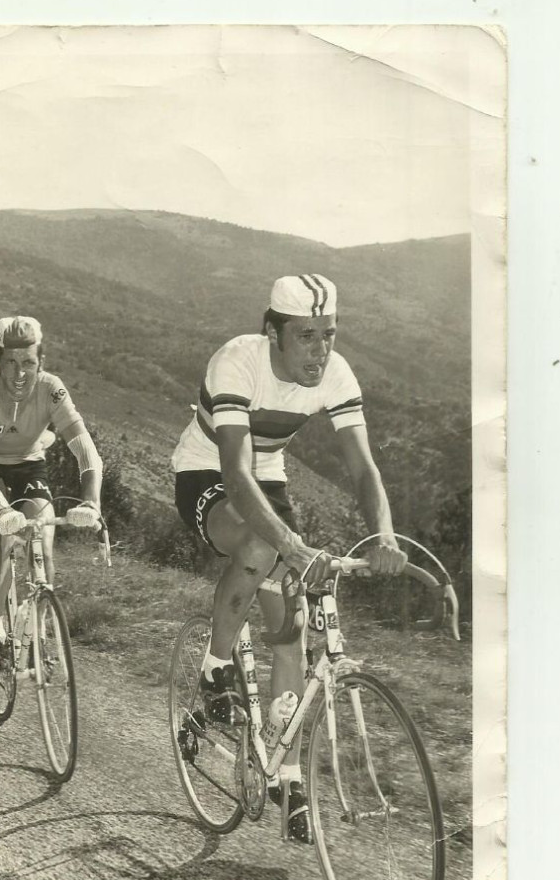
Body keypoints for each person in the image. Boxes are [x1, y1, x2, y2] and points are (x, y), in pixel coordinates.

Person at [172, 274, 406, 840]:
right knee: (260, 548)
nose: (320, 351)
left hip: (269, 479)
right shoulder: (237, 361)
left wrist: (384, 536)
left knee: (291, 624)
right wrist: (294, 546)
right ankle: (214, 670)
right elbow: (234, 472)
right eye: (306, 337)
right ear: (272, 333)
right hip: (208, 472)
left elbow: (363, 469)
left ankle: (289, 775)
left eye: (328, 335)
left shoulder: (337, 372)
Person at [0, 316, 102, 673]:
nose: (19, 373)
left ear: (41, 362)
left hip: (28, 465)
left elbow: (86, 451)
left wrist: (91, 501)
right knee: (3, 539)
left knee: (42, 533)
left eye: (29, 363)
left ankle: (38, 634)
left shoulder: (52, 388)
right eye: (10, 363)